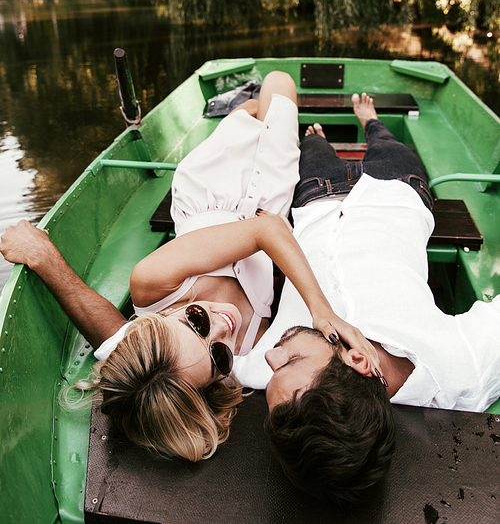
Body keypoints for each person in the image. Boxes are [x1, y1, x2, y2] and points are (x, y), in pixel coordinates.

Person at [0, 72, 380, 465]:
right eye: (218, 357)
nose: (225, 326)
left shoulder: (154, 285)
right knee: (282, 84)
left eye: (196, 320)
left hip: (215, 185)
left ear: (148, 325)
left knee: (249, 114)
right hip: (271, 194)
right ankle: (250, 108)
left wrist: (45, 258)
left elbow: (112, 340)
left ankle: (240, 107)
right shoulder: (236, 356)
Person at [232, 93, 500, 504]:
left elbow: (136, 354)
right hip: (396, 192)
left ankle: (330, 132)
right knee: (387, 143)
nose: (269, 357)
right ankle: (371, 121)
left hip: (317, 200)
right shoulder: (458, 374)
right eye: (292, 360)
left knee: (314, 145)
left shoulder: (270, 380)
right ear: (358, 360)